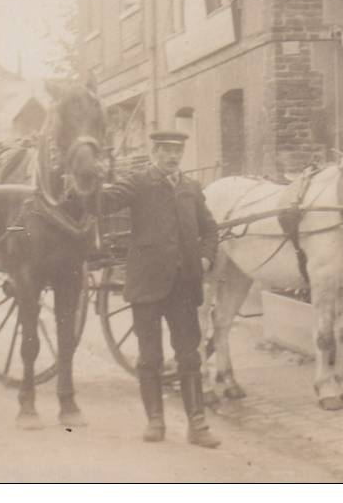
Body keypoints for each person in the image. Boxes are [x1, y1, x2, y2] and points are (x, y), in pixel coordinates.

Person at [102, 131, 221, 448]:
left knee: (189, 356)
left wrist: (207, 256)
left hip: (183, 286)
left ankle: (198, 425)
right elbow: (104, 202)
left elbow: (210, 228)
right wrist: (87, 178)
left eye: (178, 151)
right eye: (167, 151)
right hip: (147, 284)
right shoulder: (138, 183)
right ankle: (155, 421)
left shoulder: (190, 188)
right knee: (150, 355)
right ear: (154, 152)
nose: (173, 157)